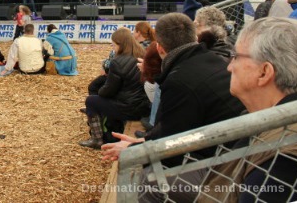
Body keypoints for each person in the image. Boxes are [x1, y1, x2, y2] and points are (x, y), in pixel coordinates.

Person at [101, 13, 245, 202]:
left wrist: (135, 150)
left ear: (159, 47)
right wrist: (141, 142)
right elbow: (175, 129)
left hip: (225, 168)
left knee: (151, 180)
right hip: (233, 152)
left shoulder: (180, 80)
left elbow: (169, 146)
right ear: (194, 38)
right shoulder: (212, 60)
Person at [201, 17, 297, 202]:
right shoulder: (290, 119)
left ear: (264, 72)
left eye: (235, 57)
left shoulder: (286, 163)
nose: (229, 66)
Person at [79, 28, 148, 149]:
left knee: (91, 100)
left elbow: (109, 90)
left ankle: (96, 139)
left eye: (114, 45)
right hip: (143, 106)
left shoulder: (118, 62)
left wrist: (99, 93)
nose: (113, 47)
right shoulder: (142, 55)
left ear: (120, 45)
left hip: (128, 108)